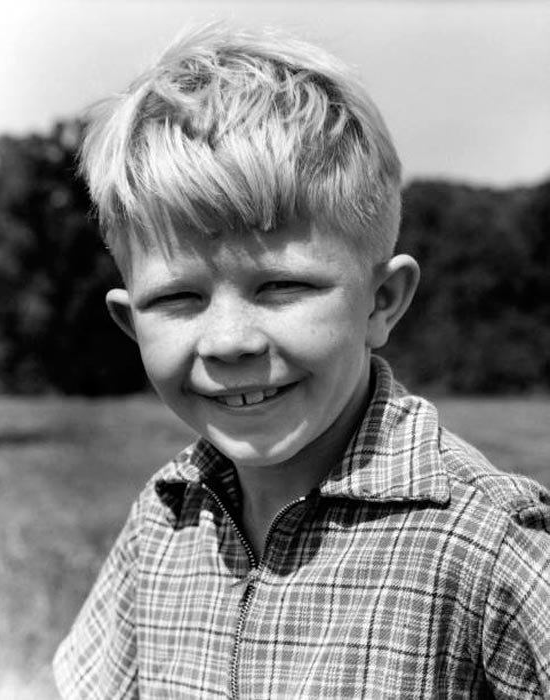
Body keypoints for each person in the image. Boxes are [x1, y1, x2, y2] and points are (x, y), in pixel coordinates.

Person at [54, 22, 550, 699]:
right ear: (128, 322)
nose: (229, 341)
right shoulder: (164, 519)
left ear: (382, 302)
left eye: (281, 286)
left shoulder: (483, 542)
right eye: (177, 299)